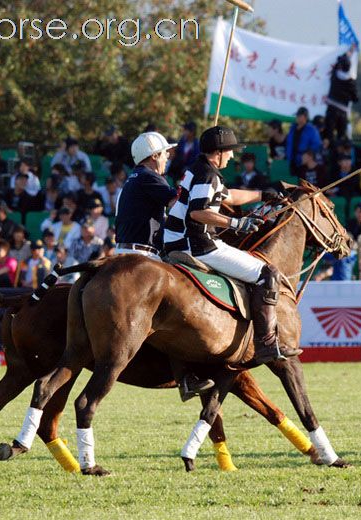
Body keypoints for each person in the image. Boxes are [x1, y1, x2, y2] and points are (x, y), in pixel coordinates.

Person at [163, 125, 302, 364]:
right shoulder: (209, 175)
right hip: (198, 245)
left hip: (176, 241)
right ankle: (267, 343)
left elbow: (228, 196)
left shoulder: (197, 169)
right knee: (267, 273)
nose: (233, 156)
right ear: (218, 152)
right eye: (230, 151)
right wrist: (237, 223)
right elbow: (198, 213)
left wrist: (262, 194)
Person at [114, 132, 179, 252]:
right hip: (141, 253)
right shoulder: (150, 176)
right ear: (154, 156)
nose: (167, 158)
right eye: (166, 153)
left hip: (122, 250)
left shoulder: (133, 178)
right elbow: (177, 203)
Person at [324, 51, 358, 141]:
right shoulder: (351, 82)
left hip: (332, 110)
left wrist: (346, 54)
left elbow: (336, 64)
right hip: (343, 112)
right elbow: (355, 99)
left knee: (329, 136)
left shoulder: (335, 76)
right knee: (341, 137)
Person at [286, 107, 322, 175]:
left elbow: (317, 144)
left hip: (304, 162)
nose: (297, 117)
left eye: (299, 115)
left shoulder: (312, 129)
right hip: (291, 161)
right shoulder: (292, 128)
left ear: (305, 116)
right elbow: (288, 144)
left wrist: (308, 153)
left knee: (302, 183)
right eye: (297, 115)